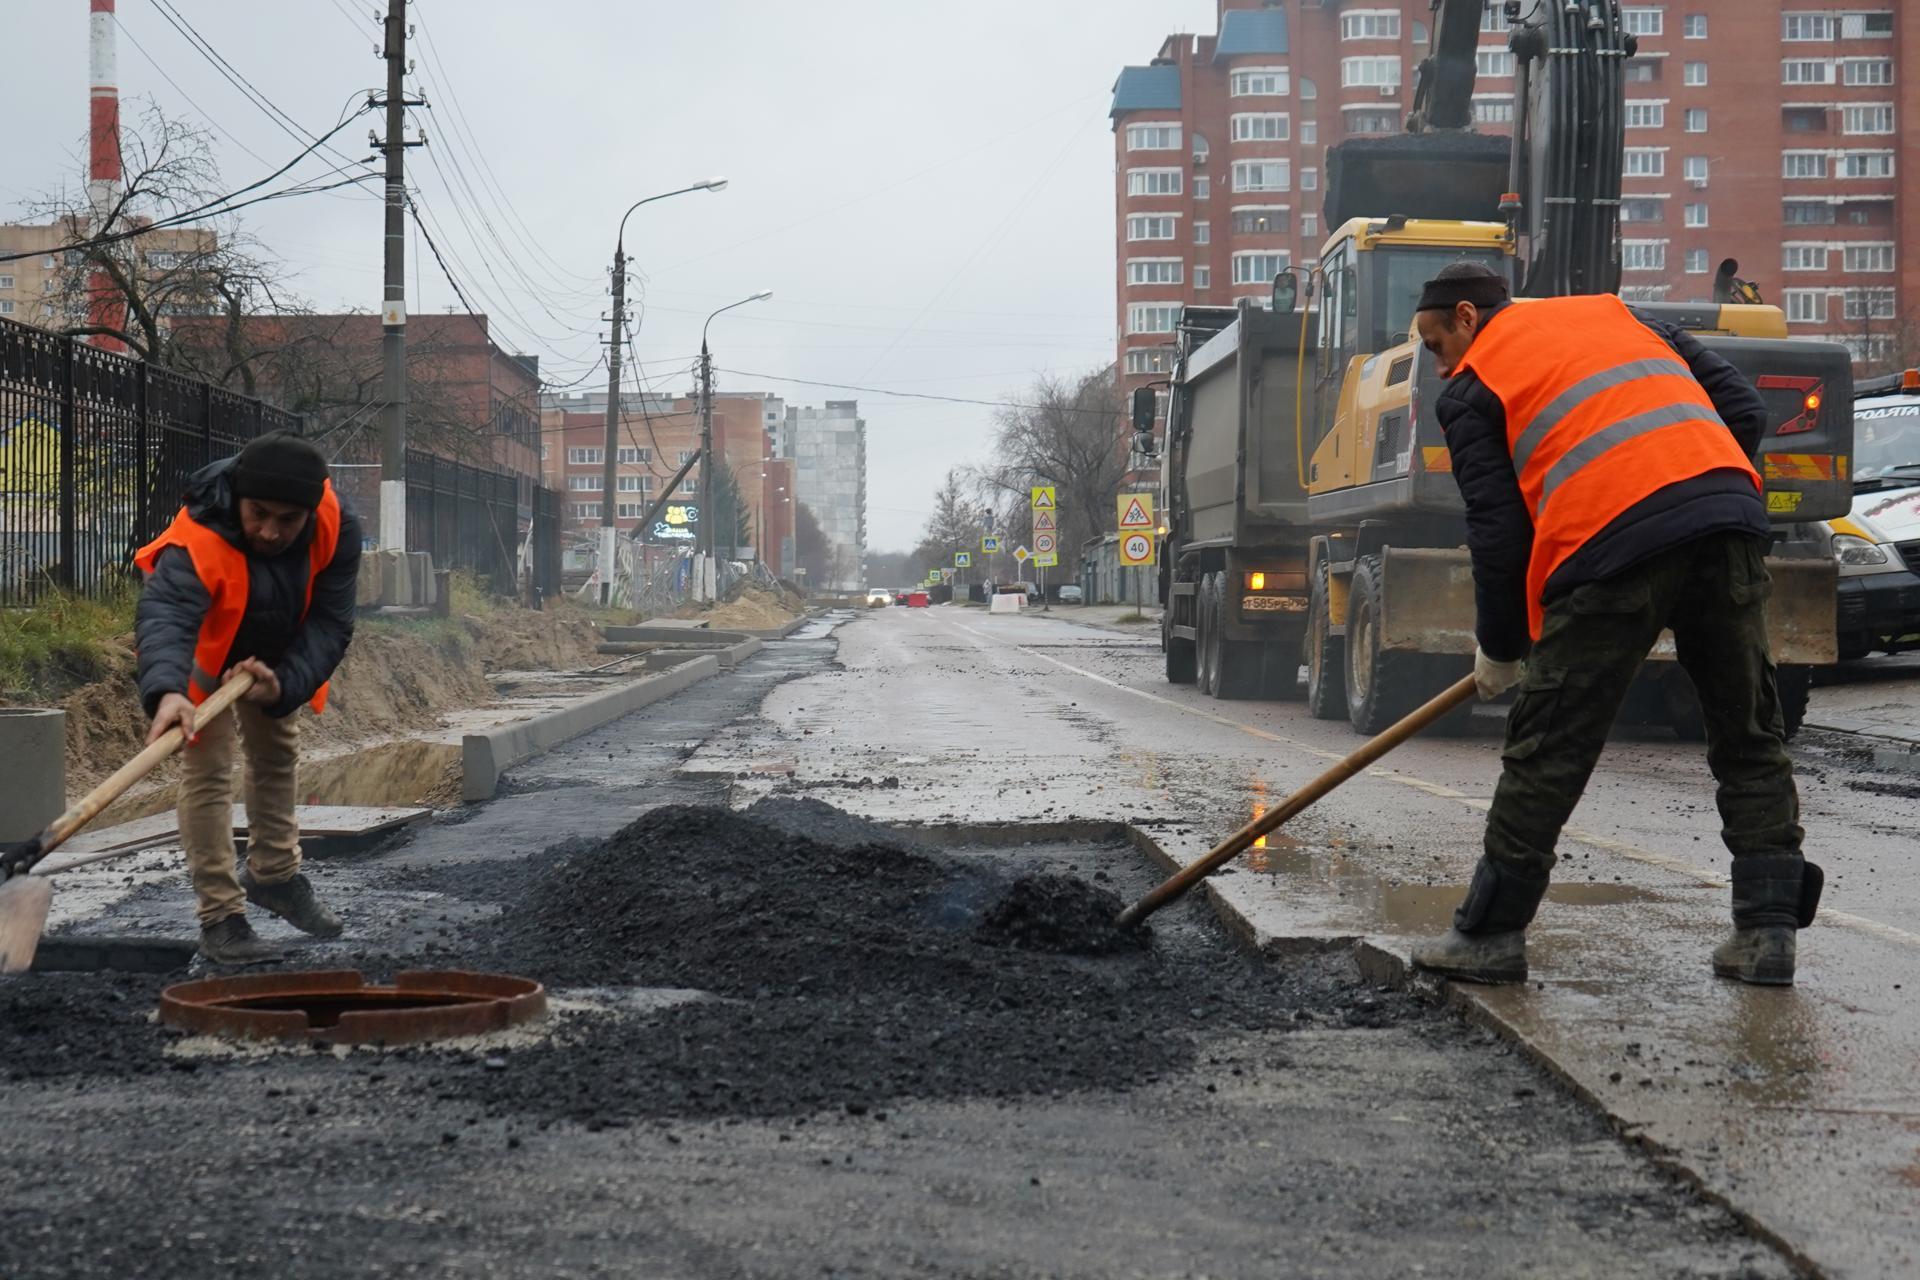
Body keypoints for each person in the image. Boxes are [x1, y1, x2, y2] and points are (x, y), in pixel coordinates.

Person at [1406, 262, 1822, 987]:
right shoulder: (1622, 317)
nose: (1441, 366)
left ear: (1468, 317)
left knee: (1551, 740)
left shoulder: (1475, 388)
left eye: (1437, 344)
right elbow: (1746, 411)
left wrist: (1501, 649)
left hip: (1611, 545)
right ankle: (1766, 937)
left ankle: (1491, 936)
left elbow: (1499, 536)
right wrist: (1695, 493)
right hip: (1727, 520)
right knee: (1748, 730)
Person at [134, 432, 362, 964]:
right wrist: (167, 691)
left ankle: (274, 877)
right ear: (238, 495)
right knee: (208, 769)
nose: (271, 531)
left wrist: (284, 684)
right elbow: (166, 614)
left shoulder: (336, 526)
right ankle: (220, 919)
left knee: (276, 751)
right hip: (201, 649)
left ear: (309, 510)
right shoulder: (201, 532)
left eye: (288, 520)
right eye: (259, 513)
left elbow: (332, 622)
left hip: (273, 650)